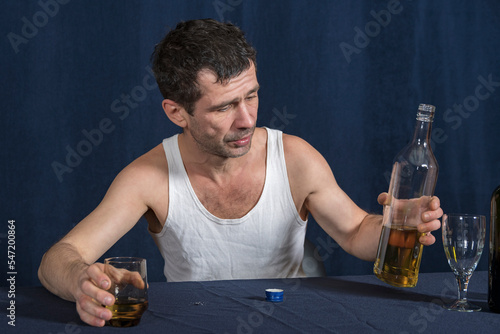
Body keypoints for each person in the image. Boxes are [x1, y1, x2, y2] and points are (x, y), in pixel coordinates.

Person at [38, 18, 443, 327]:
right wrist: (80, 281)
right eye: (223, 107)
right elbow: (57, 259)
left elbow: (356, 232)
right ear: (176, 112)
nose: (247, 119)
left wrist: (395, 223)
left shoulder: (296, 158)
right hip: (193, 322)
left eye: (252, 96)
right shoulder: (147, 177)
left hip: (290, 319)